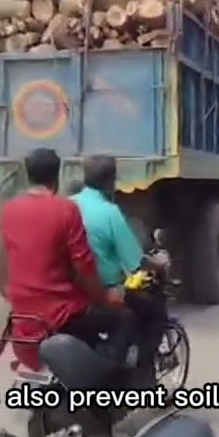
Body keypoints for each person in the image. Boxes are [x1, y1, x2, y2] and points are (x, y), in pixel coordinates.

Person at [0, 148, 135, 369]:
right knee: (124, 318)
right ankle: (111, 380)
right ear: (57, 176)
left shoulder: (9, 211)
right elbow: (84, 266)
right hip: (61, 312)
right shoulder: (65, 209)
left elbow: (7, 260)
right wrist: (103, 297)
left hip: (22, 312)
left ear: (27, 174)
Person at [70, 155, 169, 384]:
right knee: (154, 313)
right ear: (111, 182)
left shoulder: (68, 204)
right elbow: (135, 262)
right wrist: (159, 266)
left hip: (69, 289)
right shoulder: (110, 213)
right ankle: (144, 374)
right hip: (103, 291)